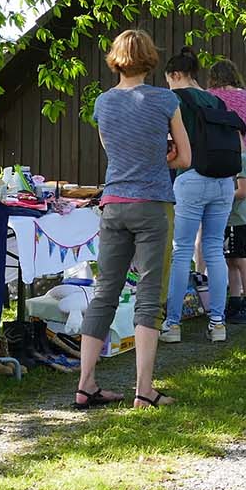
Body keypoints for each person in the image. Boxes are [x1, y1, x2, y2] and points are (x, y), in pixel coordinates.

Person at [74, 29, 189, 410]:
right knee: (149, 297)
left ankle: (85, 384)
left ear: (116, 60)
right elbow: (185, 158)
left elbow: (115, 152)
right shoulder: (166, 99)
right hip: (152, 203)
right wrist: (163, 157)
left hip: (113, 204)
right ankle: (144, 390)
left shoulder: (103, 103)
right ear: (150, 59)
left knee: (104, 293)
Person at [161, 48, 235, 344]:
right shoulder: (216, 100)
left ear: (176, 75)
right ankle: (218, 323)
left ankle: (172, 324)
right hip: (224, 181)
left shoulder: (175, 100)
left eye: (168, 80)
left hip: (190, 178)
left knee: (182, 251)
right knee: (214, 250)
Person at [223, 149, 246, 323]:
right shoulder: (233, 157)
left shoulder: (241, 159)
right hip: (229, 219)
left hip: (237, 220)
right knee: (231, 261)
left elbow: (243, 191)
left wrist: (221, 196)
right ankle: (235, 301)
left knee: (240, 260)